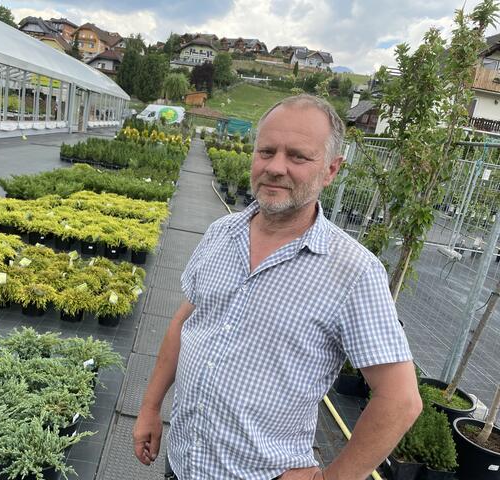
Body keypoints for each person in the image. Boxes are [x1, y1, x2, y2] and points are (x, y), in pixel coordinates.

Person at [133, 94, 422, 480]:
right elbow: (185, 322)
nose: (276, 167)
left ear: (332, 169)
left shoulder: (352, 271)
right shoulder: (222, 233)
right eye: (266, 151)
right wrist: (151, 407)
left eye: (298, 156)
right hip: (182, 463)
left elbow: (400, 400)